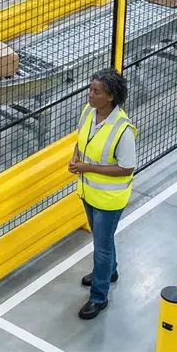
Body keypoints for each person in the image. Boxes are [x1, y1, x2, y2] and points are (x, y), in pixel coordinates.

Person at [69, 69, 137, 320]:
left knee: (101, 247)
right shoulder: (89, 112)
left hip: (109, 199)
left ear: (110, 97)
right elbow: (82, 139)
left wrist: (87, 167)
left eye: (96, 91)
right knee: (104, 241)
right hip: (88, 192)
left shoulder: (123, 130)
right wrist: (75, 156)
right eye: (90, 89)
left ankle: (99, 296)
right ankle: (110, 272)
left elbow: (126, 167)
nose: (90, 94)